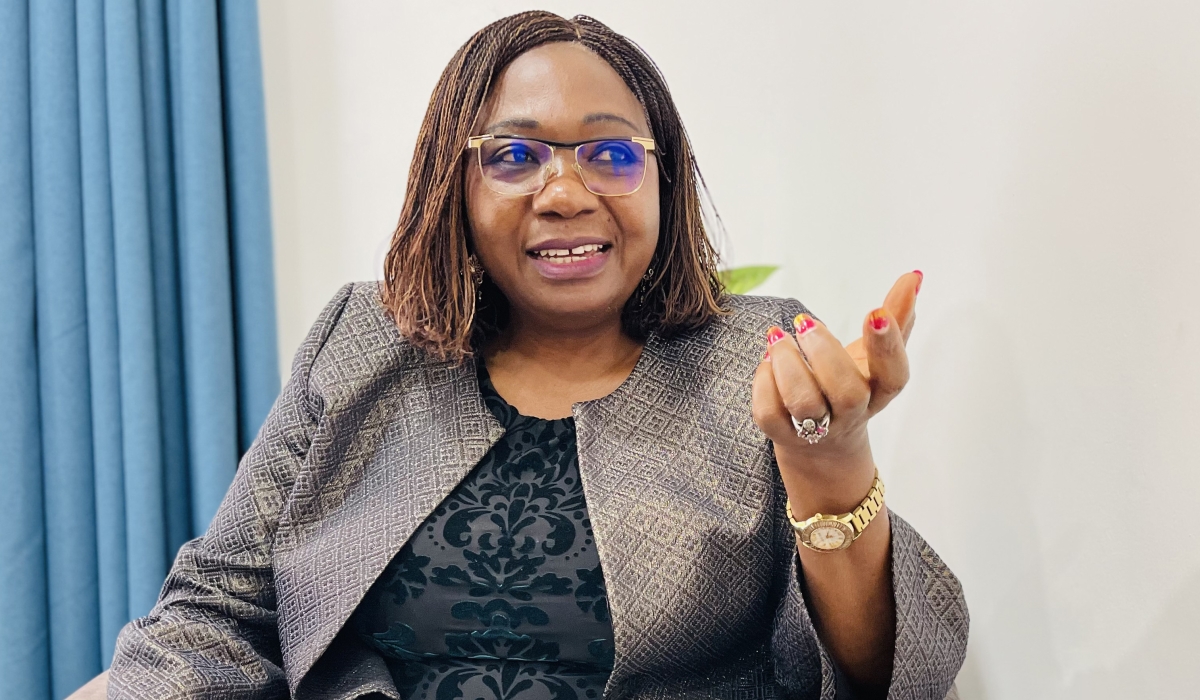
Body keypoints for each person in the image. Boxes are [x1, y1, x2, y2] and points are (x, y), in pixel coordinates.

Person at [107, 11, 966, 700]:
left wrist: (832, 464)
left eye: (612, 154)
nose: (565, 194)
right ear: (455, 186)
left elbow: (879, 678)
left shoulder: (757, 354)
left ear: (663, 181)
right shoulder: (363, 343)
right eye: (515, 157)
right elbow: (216, 612)